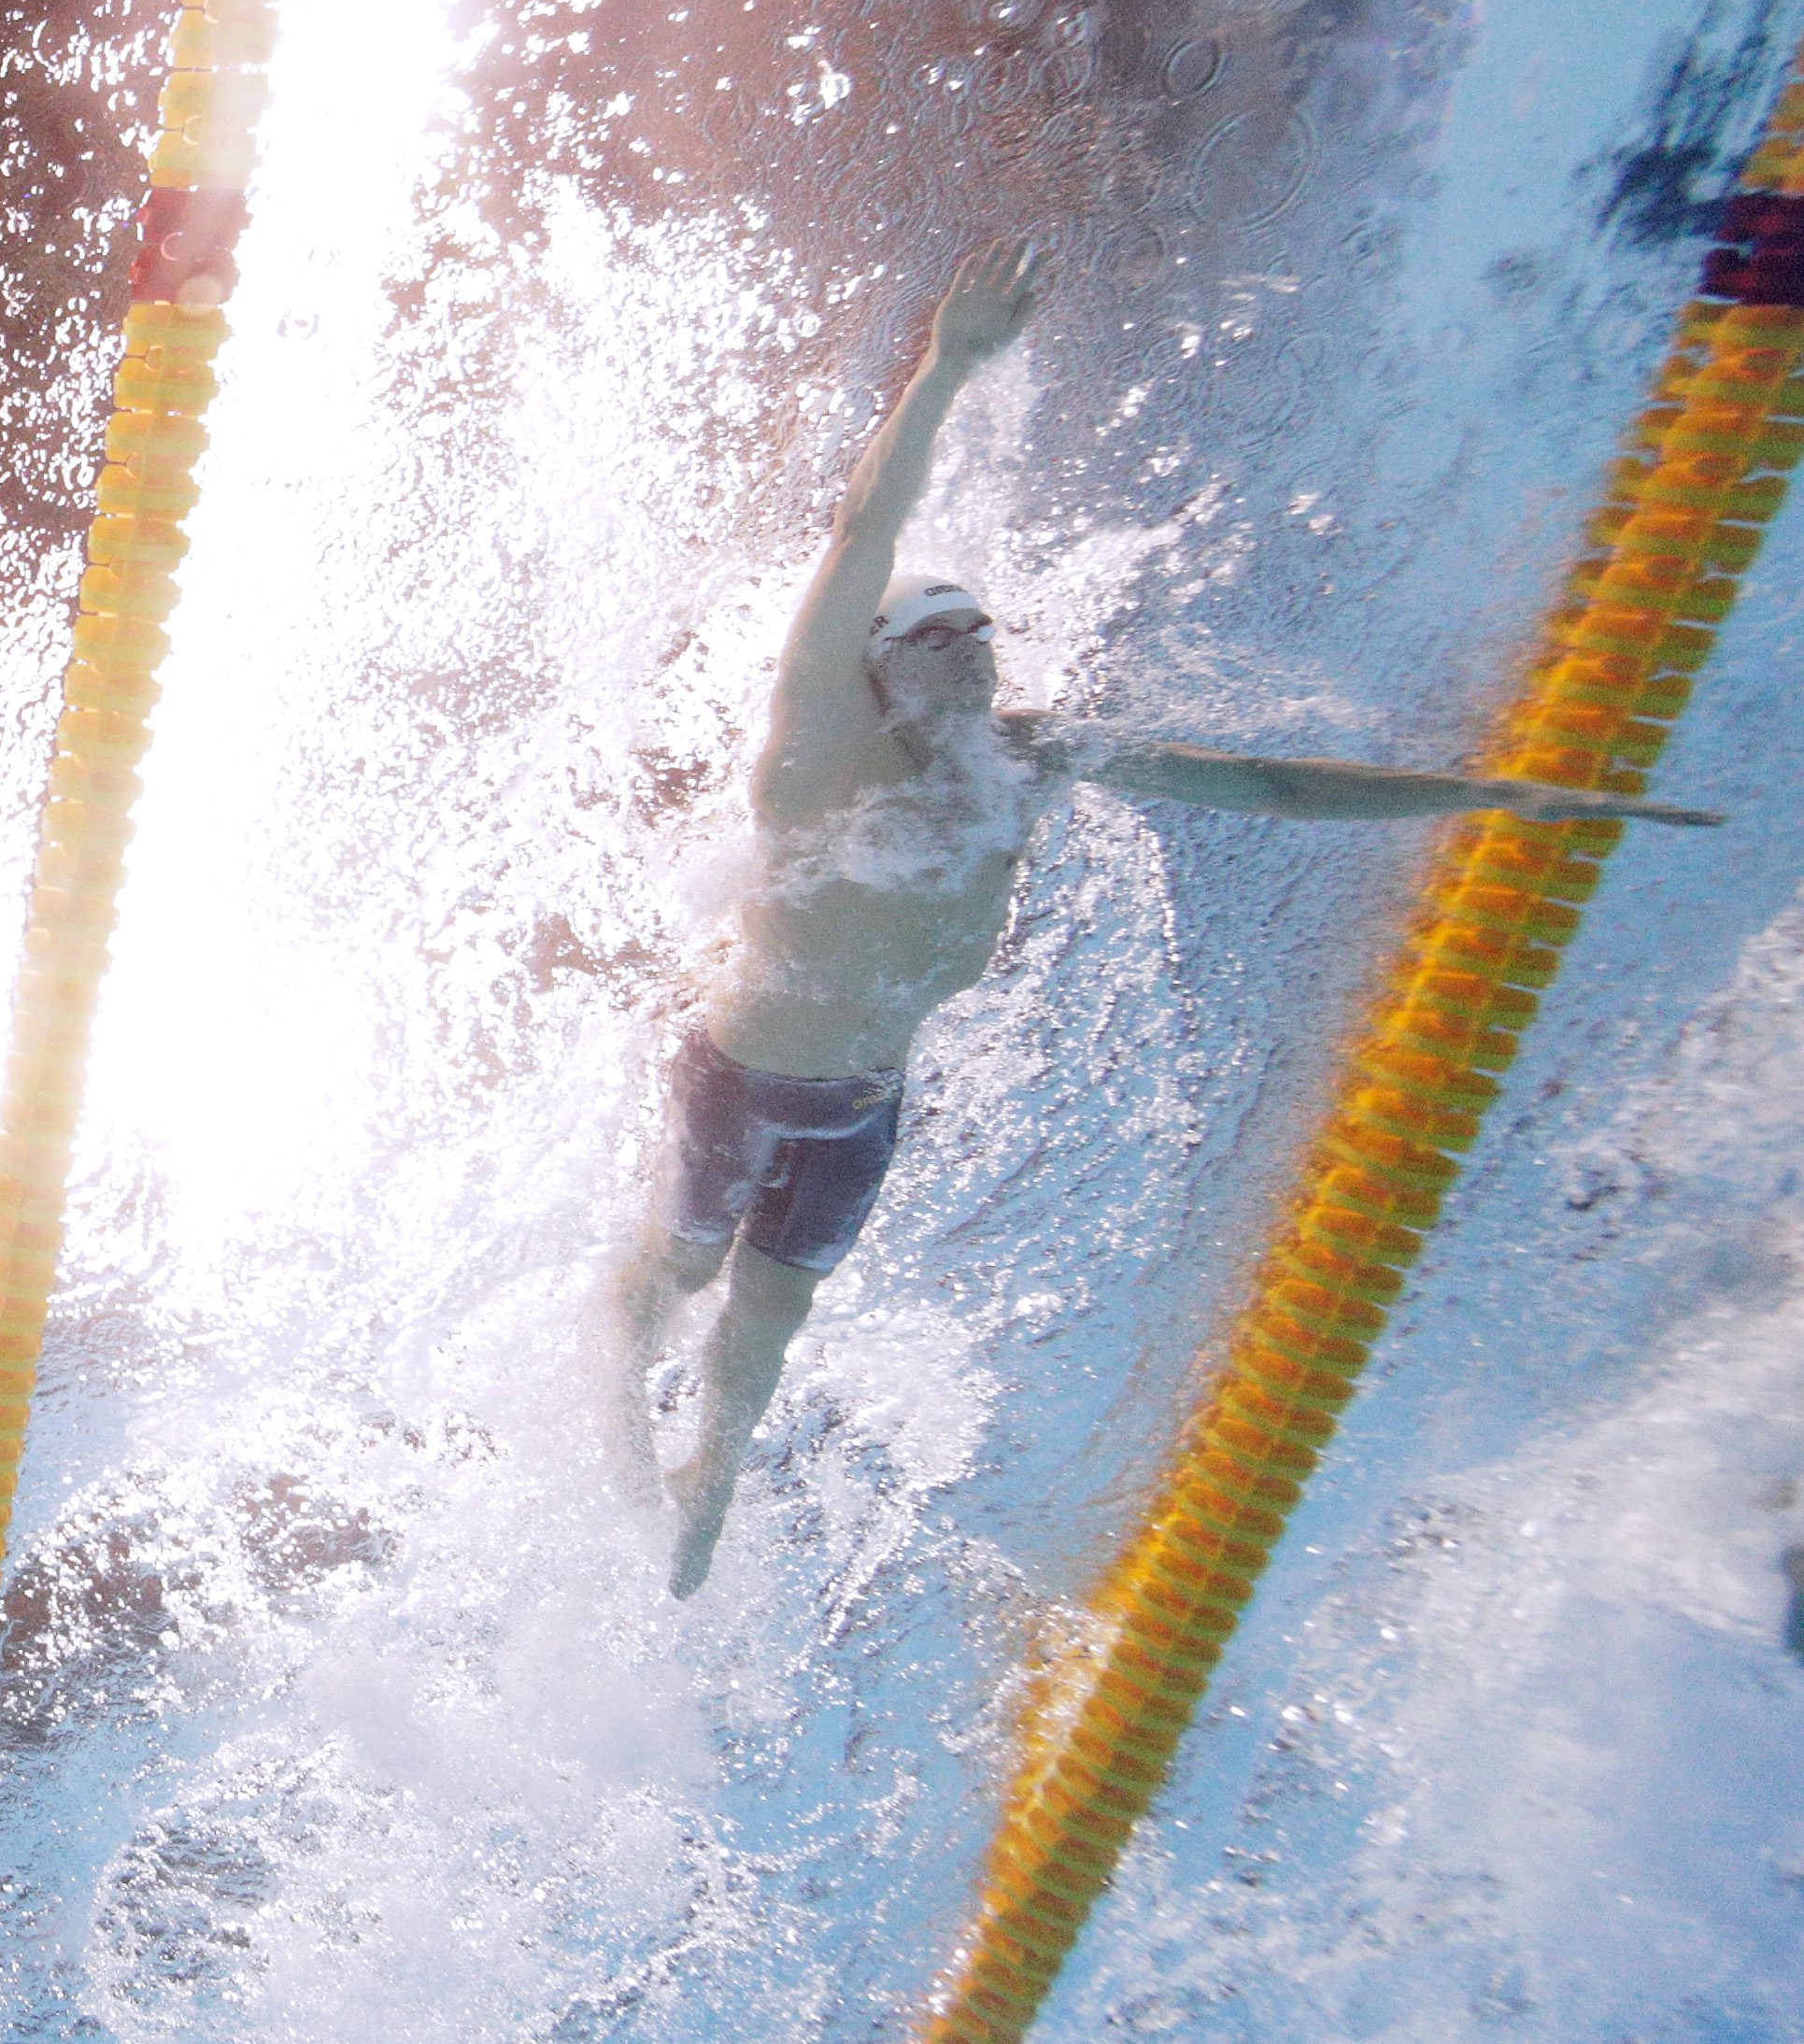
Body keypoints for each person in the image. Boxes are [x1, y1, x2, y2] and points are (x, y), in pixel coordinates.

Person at [611, 240, 1721, 1597]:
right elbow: (862, 539)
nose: (973, 650)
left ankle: (703, 1485)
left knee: (773, 1316)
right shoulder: (819, 754)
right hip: (747, 1072)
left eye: (981, 631)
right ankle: (609, 1377)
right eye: (939, 637)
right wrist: (949, 366)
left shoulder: (1029, 757)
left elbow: (1266, 784)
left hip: (862, 1100)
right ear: (879, 669)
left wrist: (1489, 790)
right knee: (681, 1265)